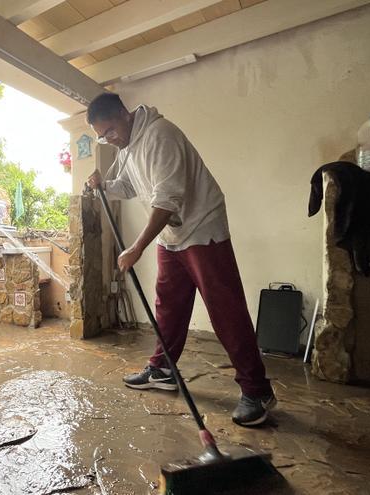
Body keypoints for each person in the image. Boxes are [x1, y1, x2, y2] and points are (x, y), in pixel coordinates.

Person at [85, 92, 275, 426]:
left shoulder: (161, 135)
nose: (109, 139)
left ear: (123, 114)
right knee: (168, 304)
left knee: (224, 309)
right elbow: (129, 187)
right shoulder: (128, 147)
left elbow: (168, 200)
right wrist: (104, 186)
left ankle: (257, 390)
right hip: (173, 234)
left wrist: (137, 247)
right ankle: (162, 369)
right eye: (102, 136)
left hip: (202, 227)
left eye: (110, 130)